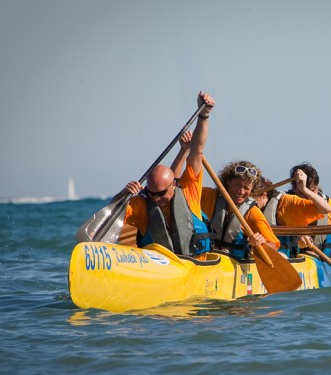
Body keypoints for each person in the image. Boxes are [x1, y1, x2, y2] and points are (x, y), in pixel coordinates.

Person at [111, 91, 215, 256]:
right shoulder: (141, 204)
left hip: (195, 264)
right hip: (161, 267)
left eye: (161, 193)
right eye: (152, 193)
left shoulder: (189, 190)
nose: (156, 198)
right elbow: (112, 214)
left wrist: (204, 116)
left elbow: (197, 151)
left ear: (173, 184)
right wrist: (123, 195)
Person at [171, 141, 281, 261]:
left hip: (234, 265)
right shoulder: (209, 196)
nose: (241, 191)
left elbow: (274, 245)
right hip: (207, 260)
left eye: (246, 188)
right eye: (237, 185)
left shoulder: (252, 213)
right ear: (228, 182)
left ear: (252, 189)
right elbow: (174, 186)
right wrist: (184, 150)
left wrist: (261, 243)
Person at [284, 163, 331, 281]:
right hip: (291, 260)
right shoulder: (284, 203)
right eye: (303, 192)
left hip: (321, 262)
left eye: (312, 191)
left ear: (317, 186)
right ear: (295, 188)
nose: (309, 198)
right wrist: (297, 234)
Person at [252, 170, 331, 259]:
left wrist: (304, 189)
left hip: (284, 259)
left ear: (263, 195)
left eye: (252, 198)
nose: (248, 203)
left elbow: (325, 209)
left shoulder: (285, 203)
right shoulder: (241, 204)